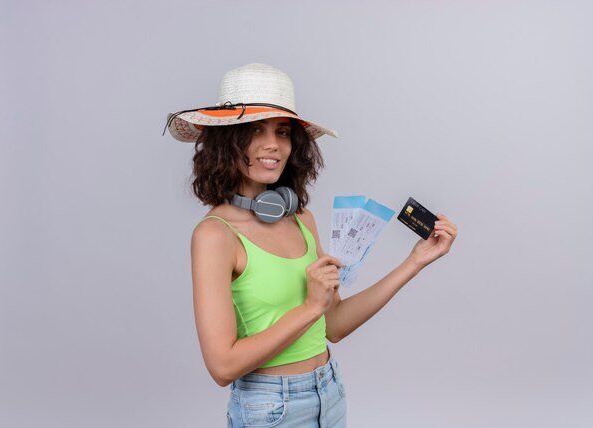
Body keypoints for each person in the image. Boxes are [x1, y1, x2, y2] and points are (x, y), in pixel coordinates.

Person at [165, 63, 458, 427]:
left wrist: (414, 262)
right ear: (227, 141)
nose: (273, 144)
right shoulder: (215, 235)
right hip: (271, 407)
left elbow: (332, 323)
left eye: (283, 132)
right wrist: (308, 307)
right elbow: (222, 366)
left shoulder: (301, 219)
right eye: (255, 129)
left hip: (329, 392)